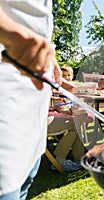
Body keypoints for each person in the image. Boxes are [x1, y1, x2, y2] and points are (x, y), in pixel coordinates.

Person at [0, 1, 61, 200]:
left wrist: (51, 59)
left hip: (33, 104)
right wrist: (10, 32)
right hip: (5, 90)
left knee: (25, 183)